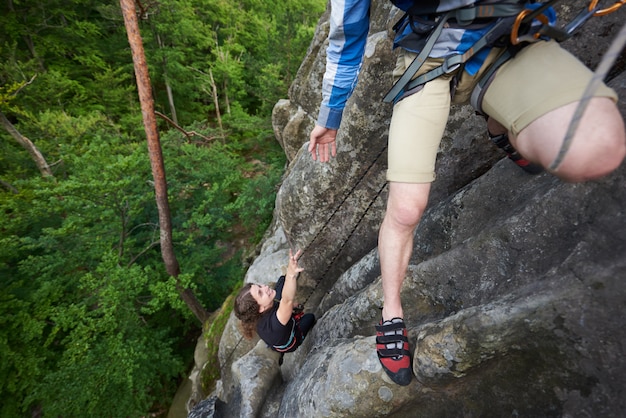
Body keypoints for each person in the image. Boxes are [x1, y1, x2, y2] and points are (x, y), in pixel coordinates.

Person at [309, 0, 626, 386]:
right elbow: (347, 31)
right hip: (425, 59)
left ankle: (497, 120)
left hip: (507, 36)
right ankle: (391, 309)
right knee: (406, 210)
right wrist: (331, 115)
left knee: (595, 148)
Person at [234, 250, 316, 360]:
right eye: (260, 293)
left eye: (260, 286)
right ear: (260, 308)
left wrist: (288, 277)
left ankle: (277, 346)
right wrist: (291, 274)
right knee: (310, 317)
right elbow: (287, 300)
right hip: (291, 341)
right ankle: (292, 340)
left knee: (282, 282)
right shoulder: (273, 325)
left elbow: (285, 303)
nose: (265, 287)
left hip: (275, 338)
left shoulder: (254, 317)